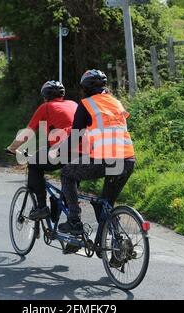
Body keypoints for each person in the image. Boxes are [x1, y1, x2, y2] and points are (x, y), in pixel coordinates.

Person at [58, 70, 136, 235]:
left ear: (85, 88)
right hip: (128, 160)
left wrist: (59, 152)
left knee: (66, 173)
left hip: (104, 160)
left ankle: (73, 219)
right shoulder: (116, 102)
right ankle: (114, 247)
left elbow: (76, 136)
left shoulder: (86, 104)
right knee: (105, 204)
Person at [6, 81, 78, 220]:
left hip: (62, 150)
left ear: (45, 96)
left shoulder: (46, 107)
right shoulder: (73, 104)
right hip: (83, 151)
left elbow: (28, 133)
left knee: (33, 162)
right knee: (70, 180)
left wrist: (12, 147)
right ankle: (68, 214)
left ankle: (41, 207)